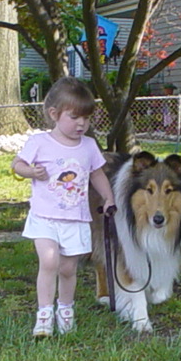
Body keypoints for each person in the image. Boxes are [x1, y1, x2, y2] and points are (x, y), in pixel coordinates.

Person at [12, 77, 116, 337]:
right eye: (74, 117)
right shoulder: (39, 142)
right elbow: (17, 165)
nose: (81, 123)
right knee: (48, 261)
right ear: (54, 114)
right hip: (45, 217)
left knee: (68, 268)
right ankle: (44, 314)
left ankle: (66, 309)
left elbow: (97, 174)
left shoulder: (89, 146)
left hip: (76, 219)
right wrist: (30, 172)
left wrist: (108, 197)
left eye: (87, 118)